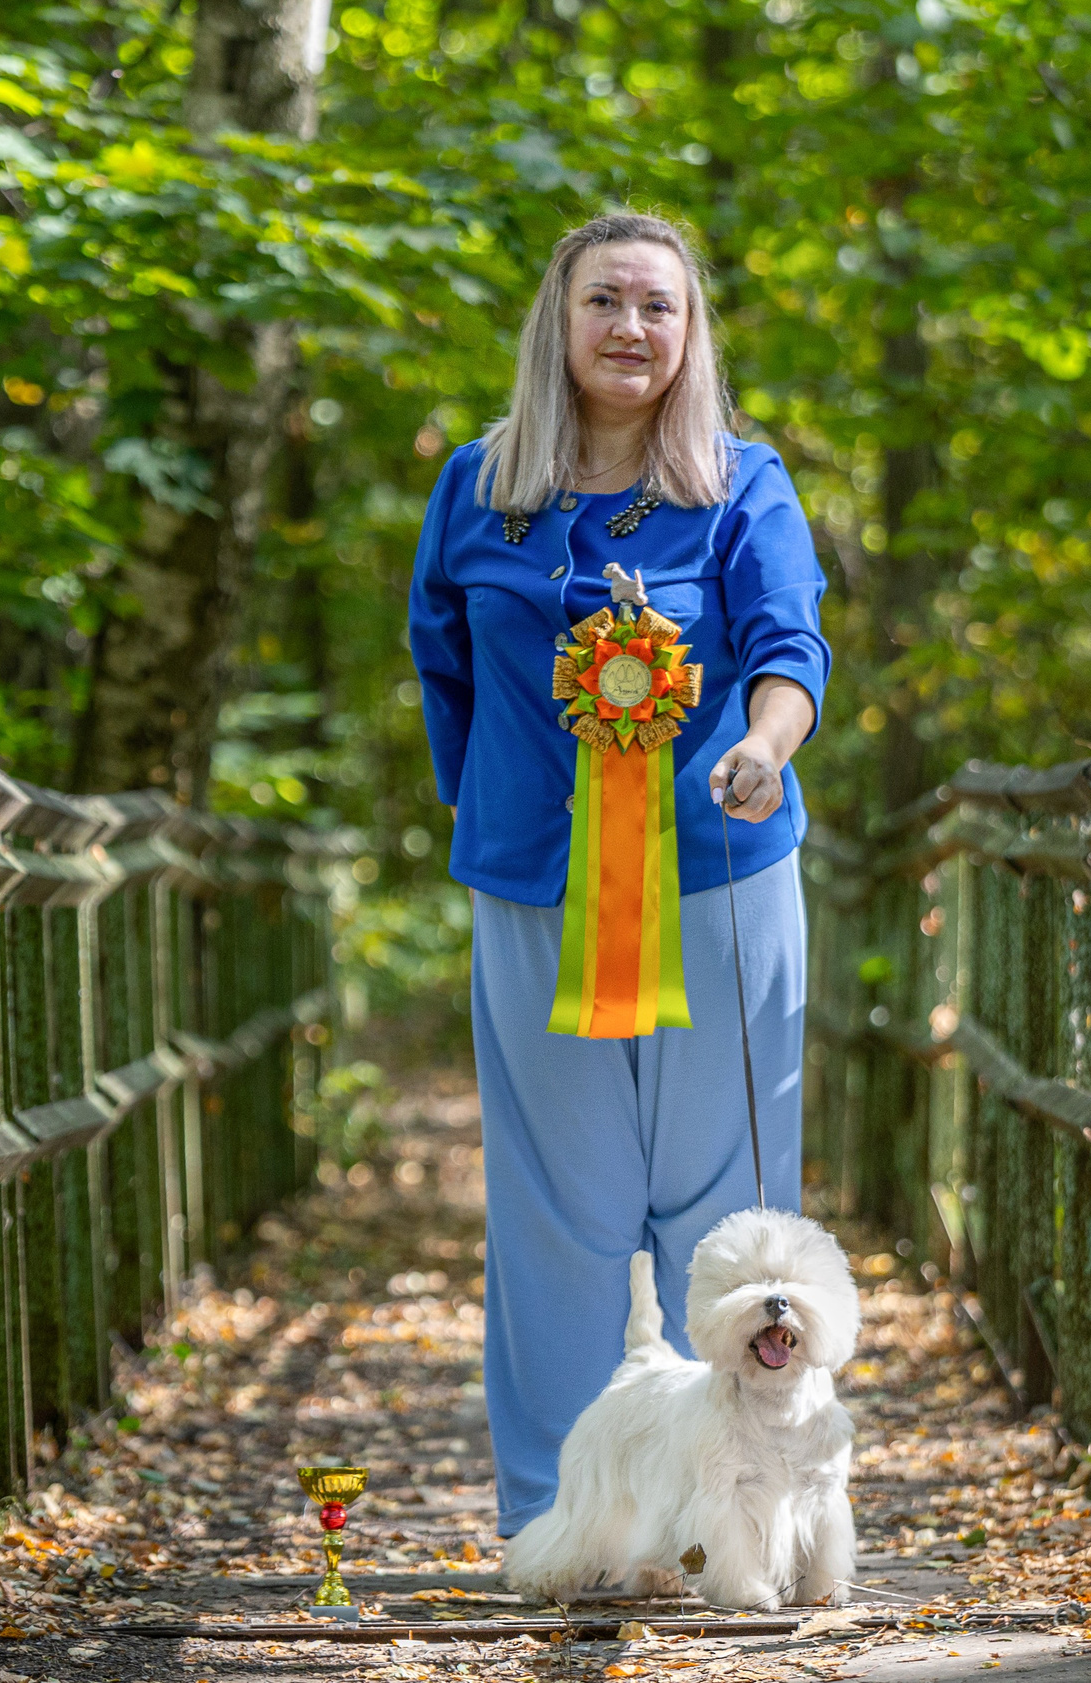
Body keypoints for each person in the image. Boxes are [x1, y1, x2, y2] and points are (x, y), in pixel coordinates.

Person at [406, 210, 831, 1540]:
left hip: (721, 882)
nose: (632, 328)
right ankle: (560, 1522)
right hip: (536, 896)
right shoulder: (478, 487)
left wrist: (763, 748)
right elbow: (443, 663)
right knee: (556, 1225)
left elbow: (788, 645)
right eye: (606, 302)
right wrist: (492, 805)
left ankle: (735, 1519)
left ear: (690, 332)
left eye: (659, 305)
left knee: (723, 1220)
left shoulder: (744, 484)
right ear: (560, 322)